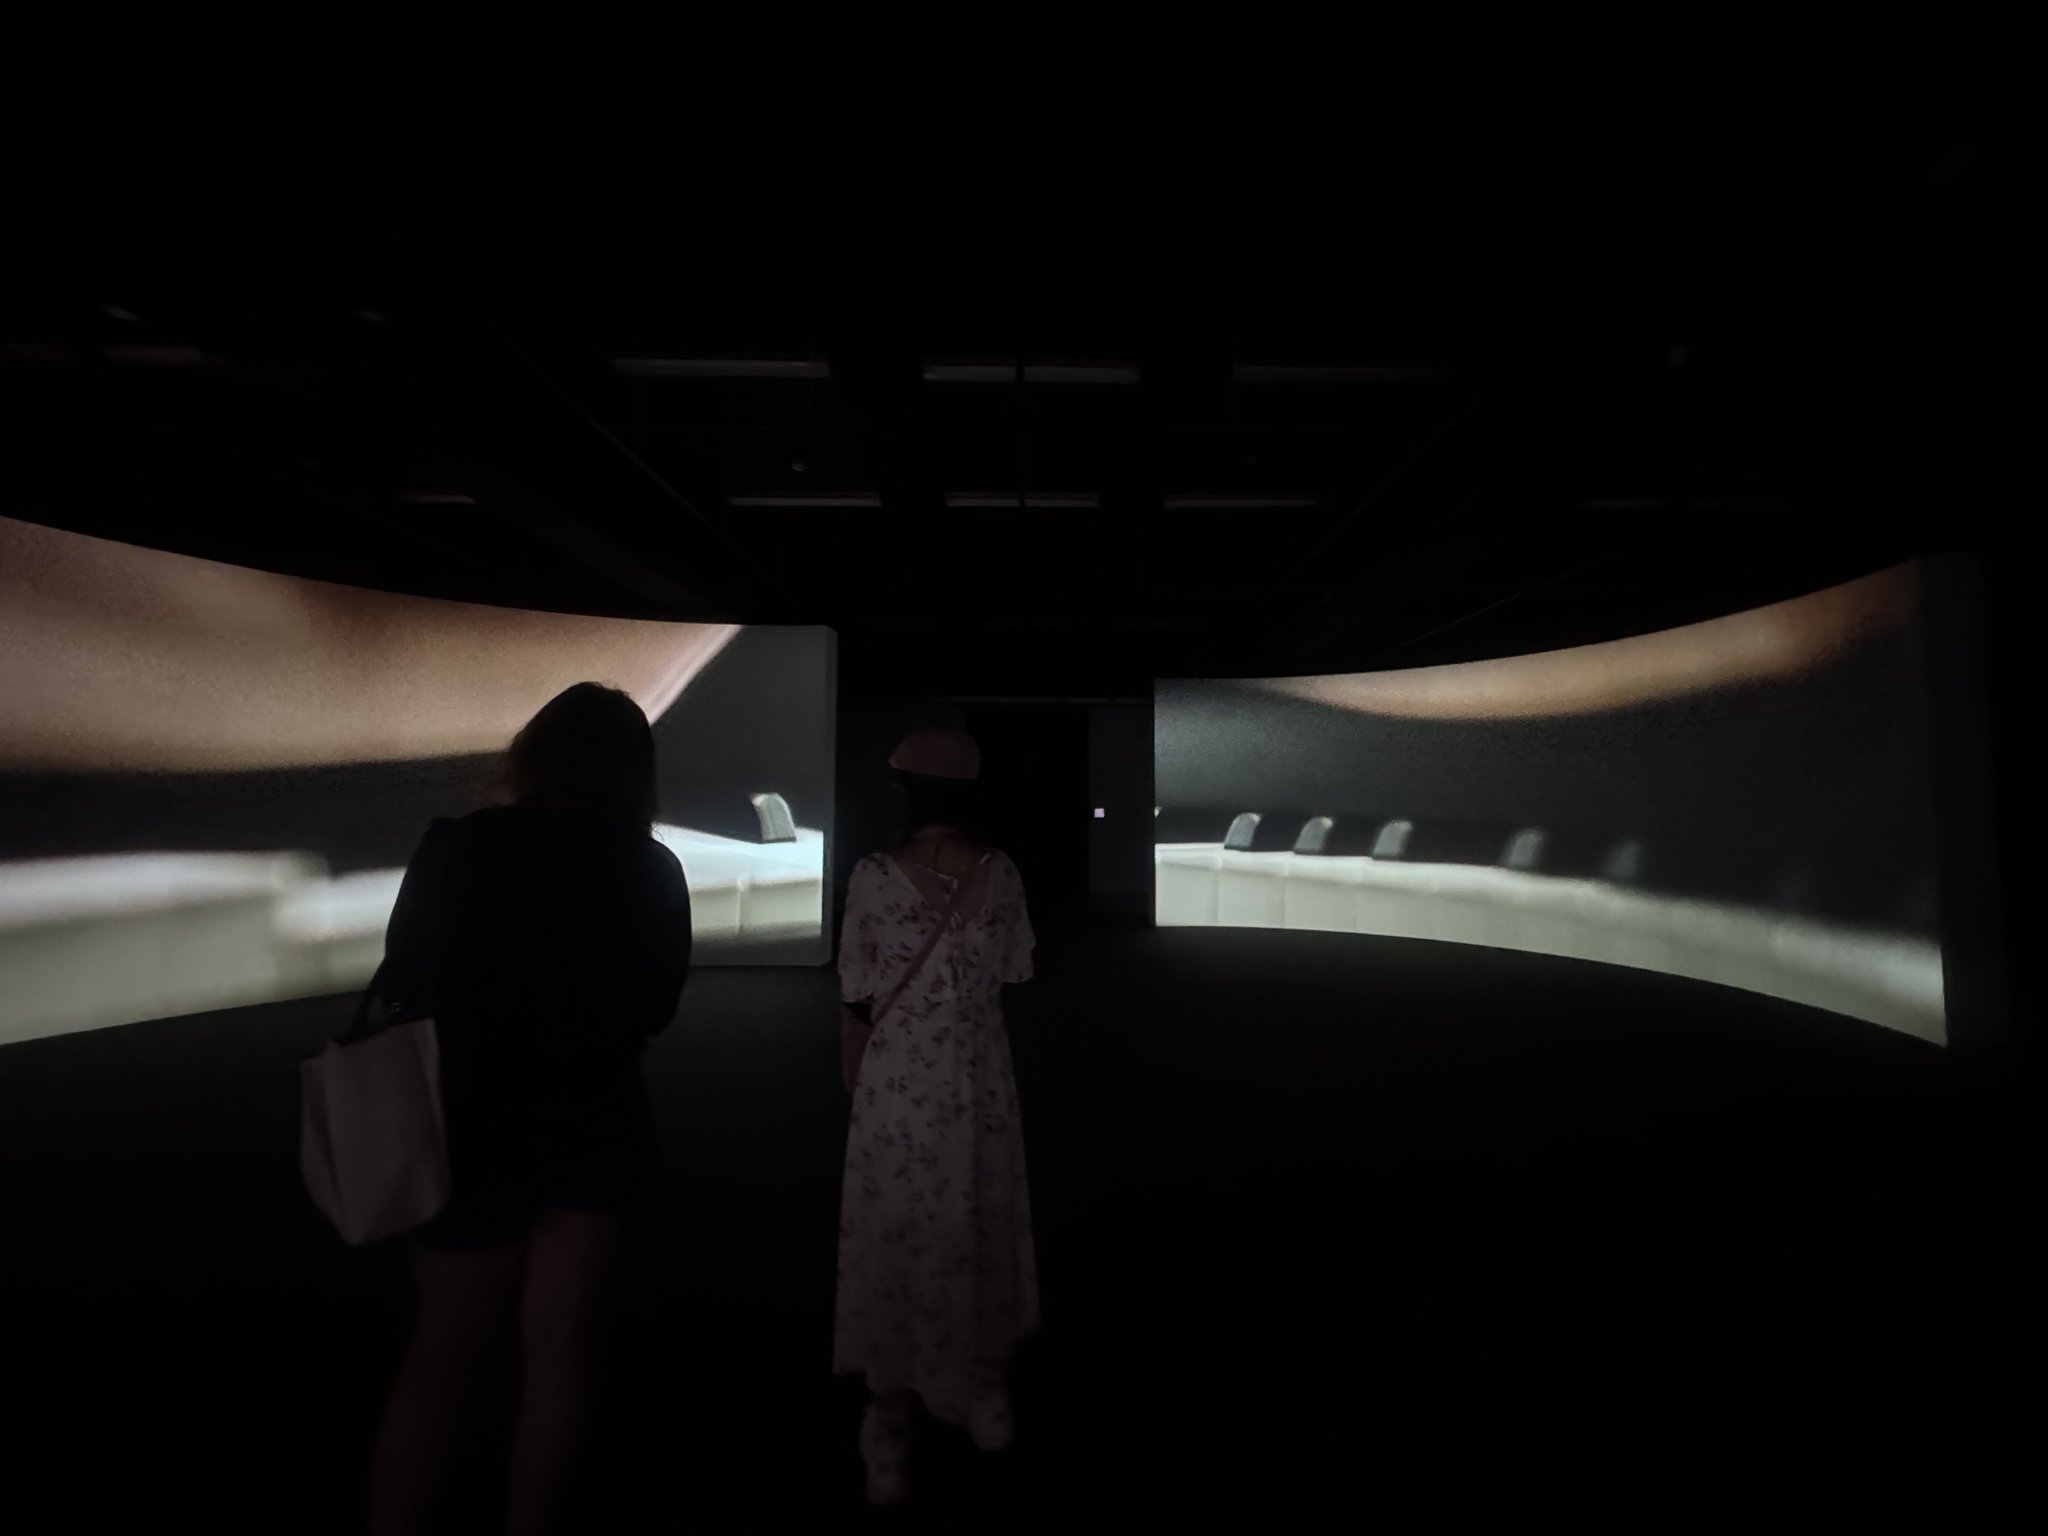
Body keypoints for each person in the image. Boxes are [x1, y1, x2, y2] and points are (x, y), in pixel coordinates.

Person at [365, 683, 693, 1536]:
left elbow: (402, 981)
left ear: (536, 753)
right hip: (596, 1124)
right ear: (633, 770)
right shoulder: (651, 866)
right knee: (558, 1355)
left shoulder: (457, 846)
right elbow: (656, 1006)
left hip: (469, 1126)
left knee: (439, 1358)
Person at [834, 726, 1041, 1506]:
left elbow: (855, 987)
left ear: (906, 793)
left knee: (895, 1227)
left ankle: (888, 1418)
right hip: (980, 1083)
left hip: (896, 1087)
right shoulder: (1002, 873)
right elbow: (1014, 968)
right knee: (977, 1216)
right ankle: (980, 1385)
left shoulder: (873, 876)